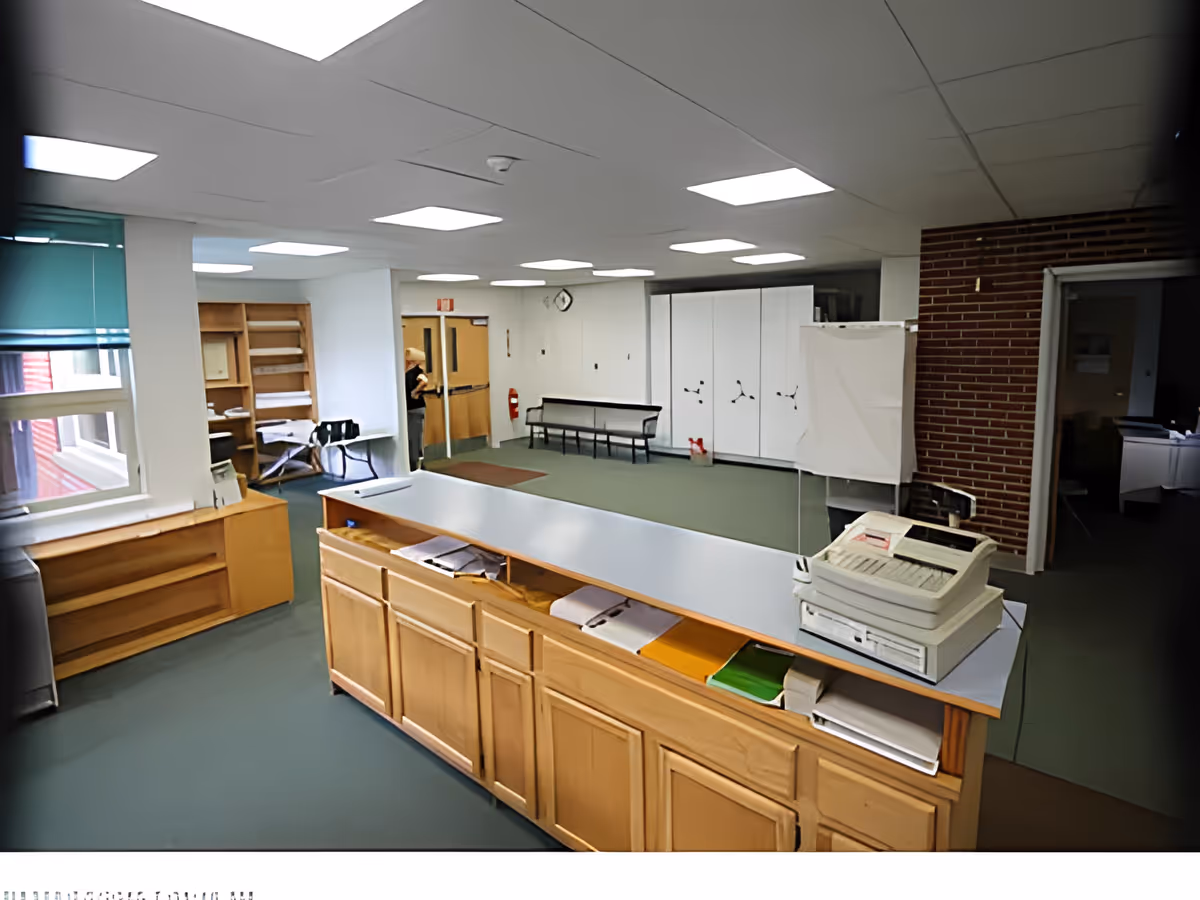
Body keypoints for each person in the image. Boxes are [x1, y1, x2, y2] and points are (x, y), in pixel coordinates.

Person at [404, 347, 429, 470]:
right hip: (414, 408)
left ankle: (416, 464)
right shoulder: (412, 372)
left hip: (414, 408)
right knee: (414, 436)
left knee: (414, 437)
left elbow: (424, 381)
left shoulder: (416, 372)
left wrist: (415, 392)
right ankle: (415, 462)